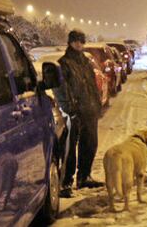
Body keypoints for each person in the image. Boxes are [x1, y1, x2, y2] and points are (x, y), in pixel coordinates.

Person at [56, 29, 103, 198]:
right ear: (69, 42)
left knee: (90, 144)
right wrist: (69, 108)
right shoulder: (64, 63)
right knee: (69, 148)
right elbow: (60, 89)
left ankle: (84, 176)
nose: (79, 44)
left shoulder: (85, 62)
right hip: (74, 111)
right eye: (75, 41)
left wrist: (97, 103)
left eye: (81, 41)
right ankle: (66, 182)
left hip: (89, 110)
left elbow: (91, 85)